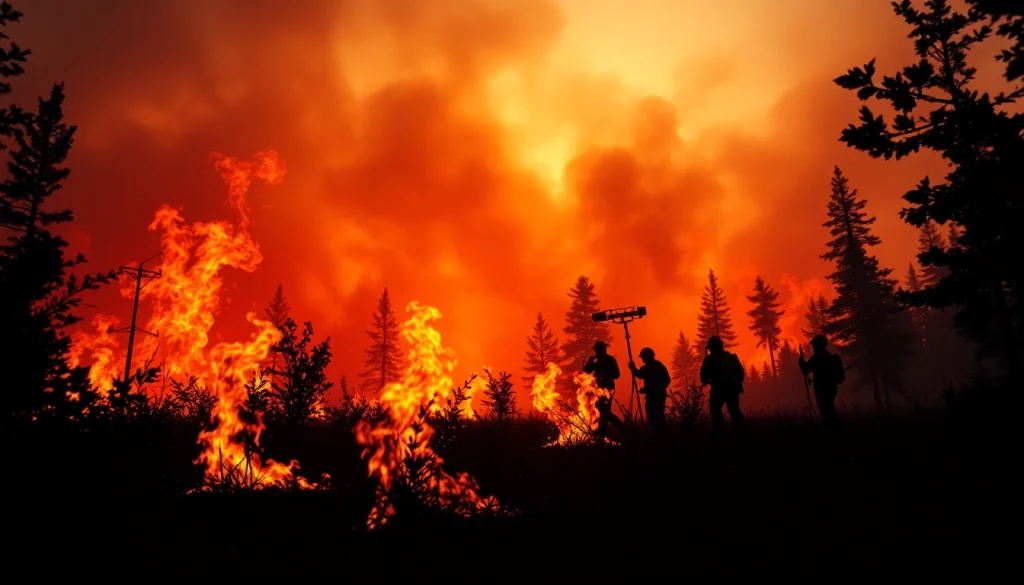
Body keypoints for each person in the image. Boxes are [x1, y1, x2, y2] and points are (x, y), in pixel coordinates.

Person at [699, 335, 747, 442]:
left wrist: (707, 380)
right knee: (734, 411)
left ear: (712, 348)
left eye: (711, 347)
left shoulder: (709, 360)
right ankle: (743, 434)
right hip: (731, 390)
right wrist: (736, 383)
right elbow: (740, 373)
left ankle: (720, 436)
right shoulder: (731, 358)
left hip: (718, 390)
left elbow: (703, 377)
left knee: (716, 411)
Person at [798, 334, 844, 432]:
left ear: (818, 345)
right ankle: (835, 428)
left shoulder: (817, 357)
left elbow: (806, 369)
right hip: (831, 388)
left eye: (814, 345)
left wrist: (801, 362)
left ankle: (832, 429)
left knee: (825, 410)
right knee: (829, 408)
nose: (813, 347)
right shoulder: (828, 356)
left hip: (822, 389)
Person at [582, 340, 623, 438]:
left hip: (608, 388)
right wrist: (590, 362)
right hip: (597, 388)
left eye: (600, 349)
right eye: (597, 349)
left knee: (605, 411)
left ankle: (622, 429)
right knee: (601, 411)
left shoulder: (610, 360)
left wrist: (606, 375)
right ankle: (603, 433)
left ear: (604, 349)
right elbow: (587, 370)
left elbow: (617, 374)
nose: (598, 351)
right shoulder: (594, 359)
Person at [628, 347, 671, 438]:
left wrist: (654, 389)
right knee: (652, 418)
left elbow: (667, 380)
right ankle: (659, 437)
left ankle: (663, 437)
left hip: (658, 397)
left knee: (658, 418)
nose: (643, 359)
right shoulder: (646, 368)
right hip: (651, 396)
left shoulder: (658, 366)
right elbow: (639, 374)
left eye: (644, 357)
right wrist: (633, 368)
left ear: (649, 356)